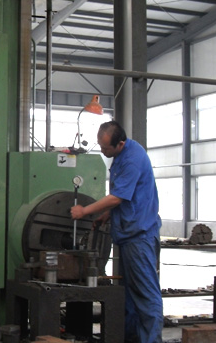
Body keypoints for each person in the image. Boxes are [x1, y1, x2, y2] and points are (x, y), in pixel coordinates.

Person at [71, 120, 163, 343]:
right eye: (100, 146)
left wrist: (84, 211)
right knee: (129, 294)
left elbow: (117, 197)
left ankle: (151, 340)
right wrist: (107, 215)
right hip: (128, 233)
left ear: (120, 144)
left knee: (145, 294)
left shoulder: (132, 160)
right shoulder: (121, 155)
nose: (103, 152)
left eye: (105, 148)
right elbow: (128, 196)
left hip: (139, 236)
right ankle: (131, 338)